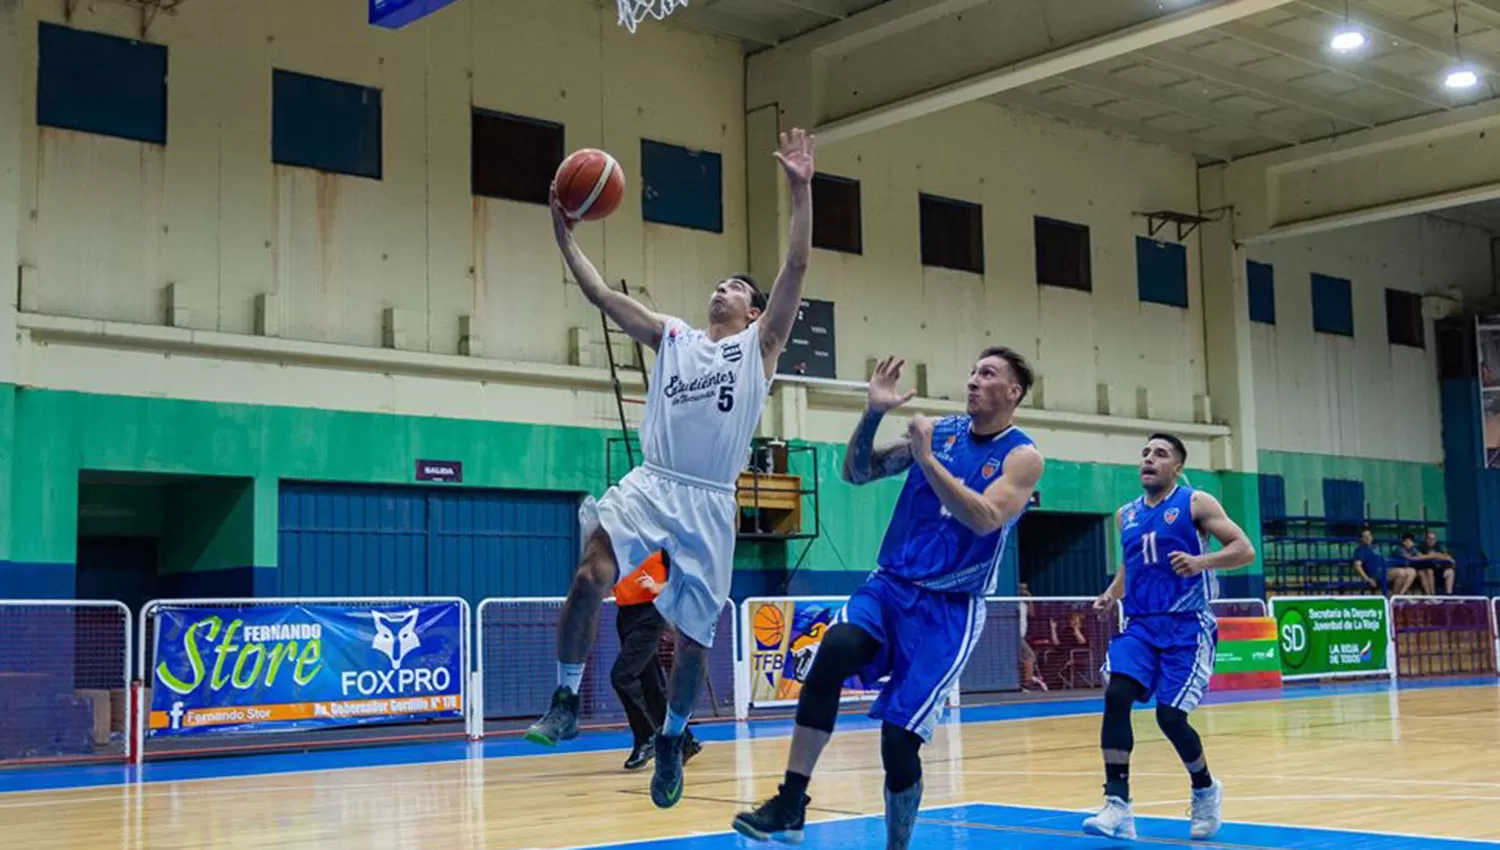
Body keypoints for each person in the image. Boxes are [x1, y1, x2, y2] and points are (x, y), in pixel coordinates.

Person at [525, 128, 816, 812]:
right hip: (652, 484)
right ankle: (566, 697)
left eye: (736, 288)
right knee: (590, 575)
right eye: (717, 283)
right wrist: (566, 235)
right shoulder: (673, 336)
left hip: (711, 504)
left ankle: (672, 741)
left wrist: (800, 190)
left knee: (690, 646)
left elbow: (797, 272)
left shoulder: (759, 349)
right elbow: (600, 295)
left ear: (753, 312)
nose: (722, 291)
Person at [732, 350, 1045, 849]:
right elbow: (855, 473)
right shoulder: (940, 432)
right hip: (890, 586)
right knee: (830, 654)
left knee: (898, 743)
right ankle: (791, 804)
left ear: (1013, 392)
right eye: (972, 370)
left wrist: (926, 462)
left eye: (987, 374)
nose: (972, 381)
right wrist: (874, 412)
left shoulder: (1021, 456)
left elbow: (986, 517)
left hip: (949, 609)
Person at [1084, 433, 1255, 842]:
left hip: (1186, 627)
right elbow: (1131, 565)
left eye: (1160, 454)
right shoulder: (1126, 514)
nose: (1149, 459)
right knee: (1116, 695)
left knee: (1170, 717)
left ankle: (1205, 790)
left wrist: (1201, 561)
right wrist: (1112, 593)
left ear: (1177, 467)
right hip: (1141, 626)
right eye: (1145, 453)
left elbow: (1244, 549)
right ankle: (1117, 805)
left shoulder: (1196, 503)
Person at [609, 551, 702, 770]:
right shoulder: (621, 538)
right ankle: (684, 741)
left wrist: (661, 587)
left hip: (651, 614)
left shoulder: (662, 541)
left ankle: (646, 737)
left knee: (622, 676)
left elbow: (688, 575)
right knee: (651, 685)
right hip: (624, 615)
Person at [1352, 527, 1414, 595]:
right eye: (1365, 536)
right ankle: (1394, 597)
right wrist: (1368, 579)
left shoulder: (1374, 548)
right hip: (1377, 574)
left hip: (1387, 569)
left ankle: (1398, 596)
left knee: (1411, 571)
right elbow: (1357, 566)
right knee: (1401, 573)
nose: (1368, 538)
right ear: (1361, 539)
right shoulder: (1361, 550)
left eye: (1369, 535)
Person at [1415, 530, 1456, 595]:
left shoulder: (1439, 546)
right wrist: (1437, 555)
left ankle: (1449, 595)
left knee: (1450, 571)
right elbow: (1420, 557)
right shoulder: (1421, 546)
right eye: (1429, 538)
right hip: (1426, 570)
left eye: (1433, 539)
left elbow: (1448, 556)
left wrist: (1436, 555)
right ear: (1426, 539)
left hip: (1438, 570)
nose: (1432, 540)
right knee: (1429, 571)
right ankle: (1432, 595)